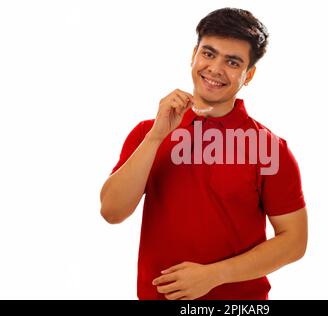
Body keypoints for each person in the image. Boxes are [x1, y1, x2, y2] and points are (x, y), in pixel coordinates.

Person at [100, 7, 308, 300]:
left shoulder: (269, 148)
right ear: (193, 55)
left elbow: (294, 241)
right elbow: (112, 211)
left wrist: (214, 275)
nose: (215, 69)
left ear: (249, 75)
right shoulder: (148, 132)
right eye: (208, 54)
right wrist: (157, 136)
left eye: (232, 62)